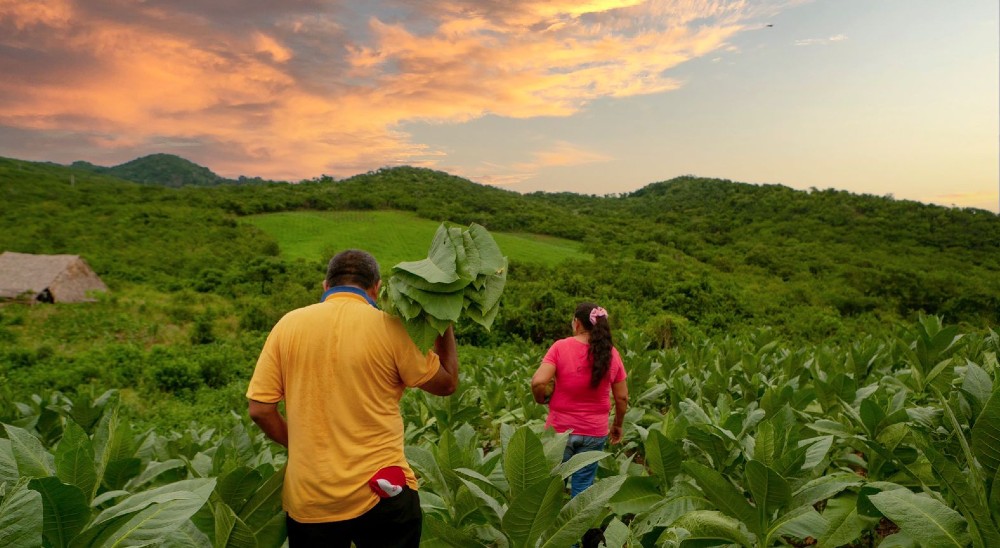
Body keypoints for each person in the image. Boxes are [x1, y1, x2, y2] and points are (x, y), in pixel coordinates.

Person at [246, 249, 459, 548]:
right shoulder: (391, 326)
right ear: (376, 287)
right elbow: (447, 383)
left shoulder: (288, 325)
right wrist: (444, 320)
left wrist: (300, 444)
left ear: (325, 286)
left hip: (311, 497)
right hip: (382, 491)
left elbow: (259, 409)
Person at [531, 302, 628, 497]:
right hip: (594, 431)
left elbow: (538, 382)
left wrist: (541, 398)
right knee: (583, 488)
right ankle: (578, 527)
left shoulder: (561, 347)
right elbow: (622, 397)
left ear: (577, 323)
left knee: (552, 487)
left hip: (560, 431)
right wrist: (617, 424)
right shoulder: (612, 354)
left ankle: (548, 526)